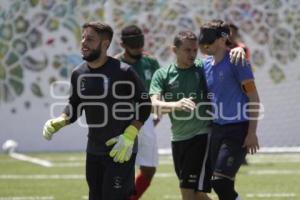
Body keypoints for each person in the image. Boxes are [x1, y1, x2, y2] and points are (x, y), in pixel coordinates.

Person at [42, 21, 152, 200]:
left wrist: (130, 134)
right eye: (83, 37)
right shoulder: (78, 73)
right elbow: (75, 104)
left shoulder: (124, 72)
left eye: (90, 39)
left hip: (120, 149)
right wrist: (61, 120)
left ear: (105, 44)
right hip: (93, 149)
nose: (84, 42)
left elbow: (145, 104)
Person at [198, 20, 260, 200]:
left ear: (223, 39)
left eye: (208, 38)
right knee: (220, 186)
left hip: (237, 130)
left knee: (221, 182)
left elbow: (254, 98)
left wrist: (252, 133)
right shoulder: (205, 65)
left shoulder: (238, 61)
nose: (204, 43)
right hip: (216, 130)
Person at [150, 30, 213, 200]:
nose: (192, 54)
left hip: (202, 136)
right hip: (178, 139)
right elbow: (153, 105)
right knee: (197, 194)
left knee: (187, 191)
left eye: (195, 50)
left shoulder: (203, 68)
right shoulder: (162, 75)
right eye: (187, 50)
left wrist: (235, 50)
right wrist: (176, 105)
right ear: (174, 50)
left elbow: (223, 60)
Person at [114, 25, 160, 200]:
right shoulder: (114, 65)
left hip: (145, 120)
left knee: (149, 169)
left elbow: (160, 90)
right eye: (134, 44)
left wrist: (158, 114)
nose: (138, 48)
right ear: (123, 44)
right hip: (120, 121)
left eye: (140, 43)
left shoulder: (151, 62)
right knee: (119, 168)